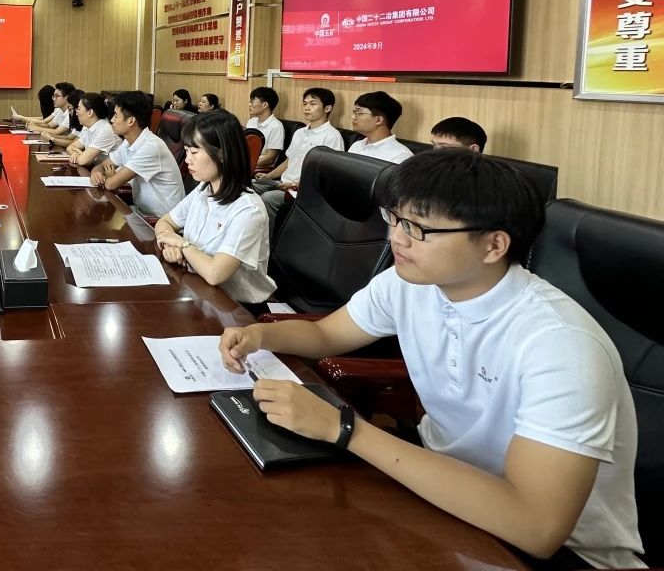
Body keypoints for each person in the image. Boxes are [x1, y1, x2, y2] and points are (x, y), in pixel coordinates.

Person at [218, 148, 644, 569]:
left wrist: (344, 429)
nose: (396, 238)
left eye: (418, 228)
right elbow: (326, 333)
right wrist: (259, 335)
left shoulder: (559, 343)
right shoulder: (410, 283)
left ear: (494, 245)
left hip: (549, 551)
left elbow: (535, 526)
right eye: (395, 218)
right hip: (435, 487)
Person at [153, 110, 275, 304]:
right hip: (197, 291)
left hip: (235, 308)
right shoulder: (203, 189)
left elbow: (215, 274)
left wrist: (182, 245)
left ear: (222, 153)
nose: (187, 159)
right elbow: (165, 222)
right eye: (186, 151)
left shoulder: (248, 210)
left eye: (194, 152)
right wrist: (170, 244)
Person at [252, 88, 344, 223]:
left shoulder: (332, 136)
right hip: (282, 182)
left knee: (268, 198)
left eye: (313, 104)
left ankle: (268, 236)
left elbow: (328, 174)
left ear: (327, 108)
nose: (307, 108)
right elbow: (288, 161)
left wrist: (296, 184)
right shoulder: (300, 132)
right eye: (305, 104)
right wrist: (268, 176)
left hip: (302, 190)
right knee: (247, 187)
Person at [90, 90, 185, 218]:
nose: (111, 120)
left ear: (131, 121)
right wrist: (96, 174)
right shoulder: (128, 142)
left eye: (116, 115)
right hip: (140, 212)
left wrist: (109, 179)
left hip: (160, 220)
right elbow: (101, 166)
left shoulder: (151, 147)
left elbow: (111, 184)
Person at [348, 91, 413, 164]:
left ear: (379, 120)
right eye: (354, 112)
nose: (353, 117)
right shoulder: (356, 145)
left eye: (359, 113)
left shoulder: (401, 156)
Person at [66, 93, 121, 167]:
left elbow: (83, 161)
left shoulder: (105, 130)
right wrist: (75, 153)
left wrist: (80, 154)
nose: (76, 113)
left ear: (90, 112)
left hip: (111, 172)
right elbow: (70, 147)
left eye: (78, 108)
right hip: (95, 170)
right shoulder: (90, 127)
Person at [245, 86, 285, 170]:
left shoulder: (276, 126)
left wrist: (247, 165)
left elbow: (270, 158)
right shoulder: (251, 121)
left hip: (261, 169)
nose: (249, 104)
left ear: (265, 105)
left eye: (252, 101)